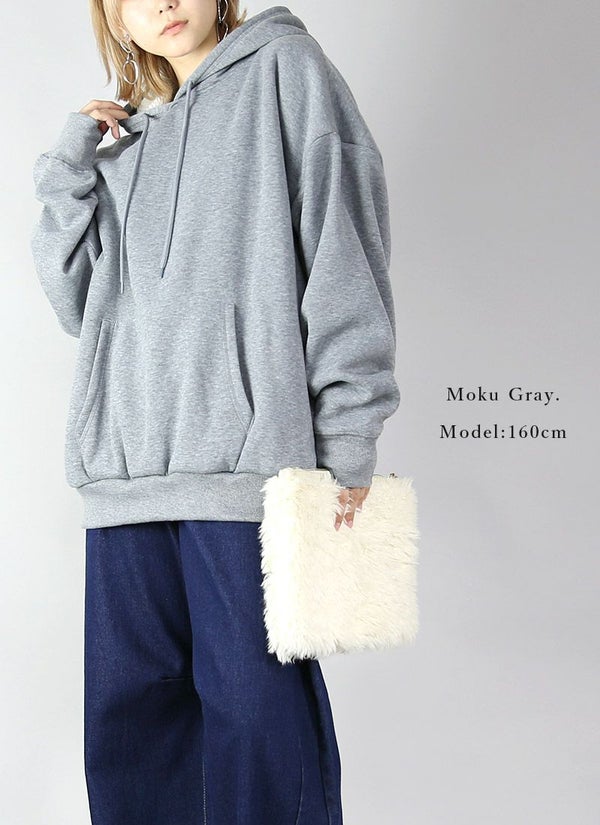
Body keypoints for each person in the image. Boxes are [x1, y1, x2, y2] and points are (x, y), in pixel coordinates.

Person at [30, 2, 401, 823]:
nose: (163, 1)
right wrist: (70, 163)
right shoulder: (126, 145)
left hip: (247, 480)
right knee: (133, 741)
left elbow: (343, 252)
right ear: (114, 17)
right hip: (124, 487)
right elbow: (79, 302)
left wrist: (347, 438)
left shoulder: (287, 74)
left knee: (262, 734)